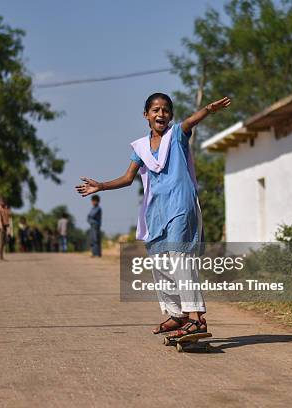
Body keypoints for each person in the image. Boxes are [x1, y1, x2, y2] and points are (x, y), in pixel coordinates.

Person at [76, 93, 231, 338]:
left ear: (170, 115)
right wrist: (101, 186)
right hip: (156, 210)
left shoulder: (177, 135)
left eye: (166, 110)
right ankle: (177, 314)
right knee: (160, 263)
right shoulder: (140, 148)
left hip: (181, 204)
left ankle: (196, 318)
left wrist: (209, 109)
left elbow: (191, 122)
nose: (161, 114)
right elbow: (128, 179)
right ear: (146, 115)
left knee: (180, 258)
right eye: (156, 110)